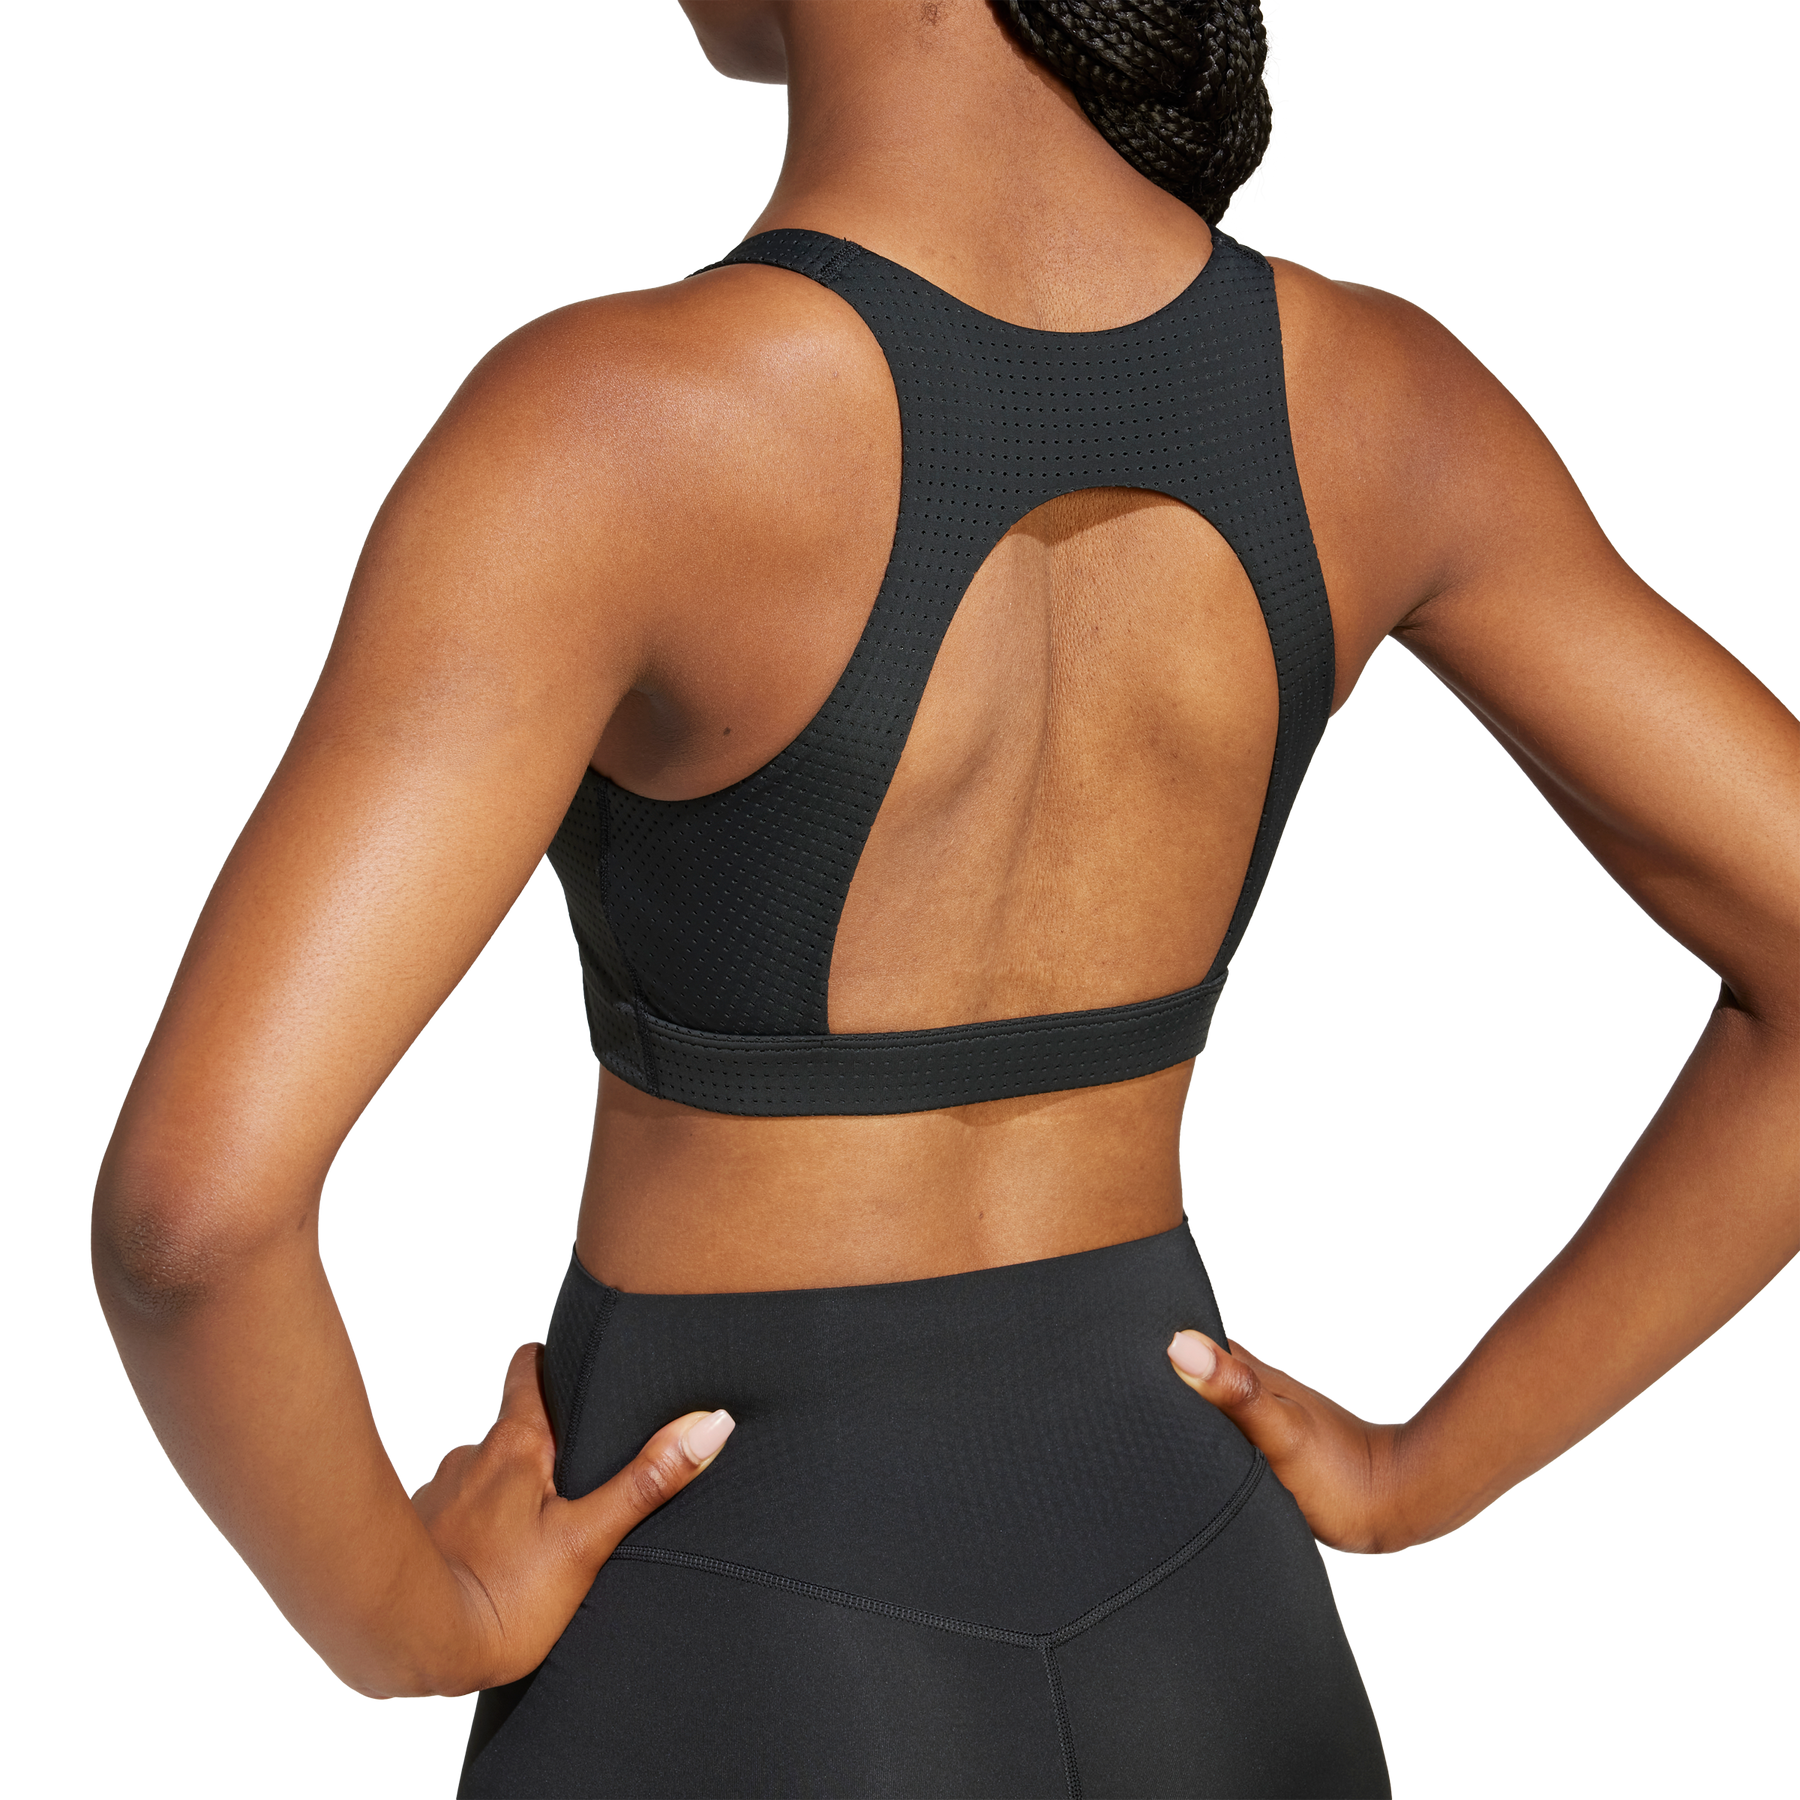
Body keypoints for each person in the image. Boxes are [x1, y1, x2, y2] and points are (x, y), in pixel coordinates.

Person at [89, 2, 1798, 1794]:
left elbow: (189, 1225)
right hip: (1217, 1620)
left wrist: (412, 1621)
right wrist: (1419, 1477)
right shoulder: (1383, 398)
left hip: (736, 1628)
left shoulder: (612, 428)